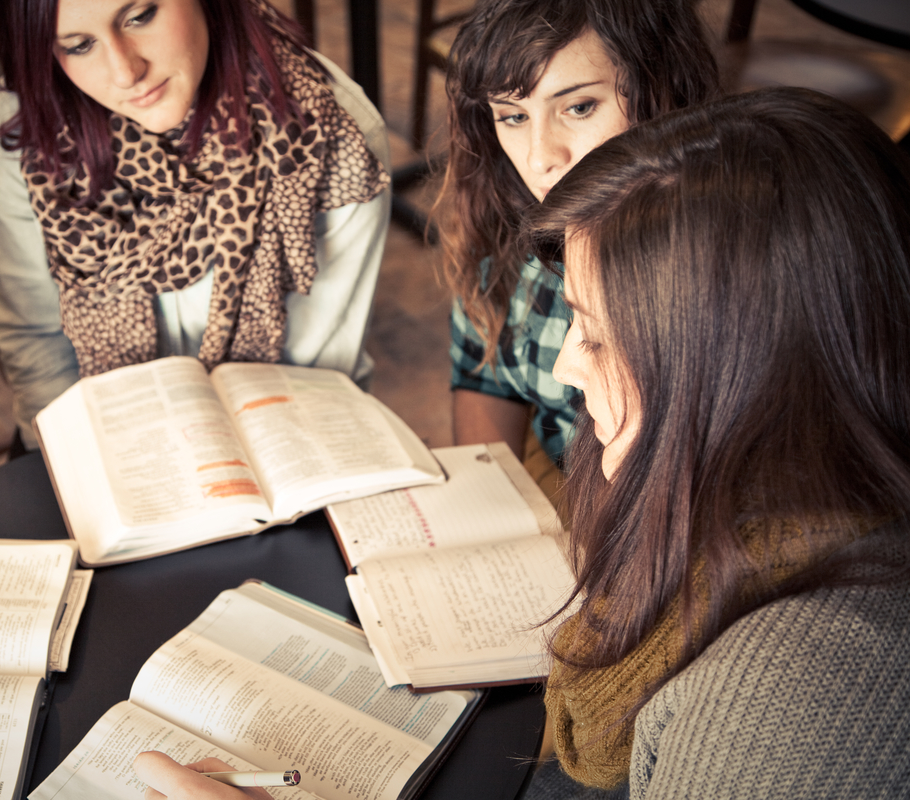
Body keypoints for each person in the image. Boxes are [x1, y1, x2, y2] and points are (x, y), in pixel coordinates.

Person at [130, 87, 910, 798]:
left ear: (748, 375)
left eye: (599, 339)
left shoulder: (783, 719)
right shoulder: (759, 513)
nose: (567, 367)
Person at [0, 0, 392, 451]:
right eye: (79, 46)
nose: (125, 71)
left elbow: (312, 380)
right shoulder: (27, 125)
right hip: (91, 448)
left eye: (140, 16)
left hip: (288, 446)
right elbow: (34, 341)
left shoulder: (331, 137)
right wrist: (82, 467)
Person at [437, 0, 718, 500]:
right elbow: (486, 375)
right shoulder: (503, 212)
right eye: (513, 116)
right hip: (558, 483)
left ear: (661, 88)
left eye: (579, 107)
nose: (541, 156)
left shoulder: (725, 253)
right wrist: (494, 515)